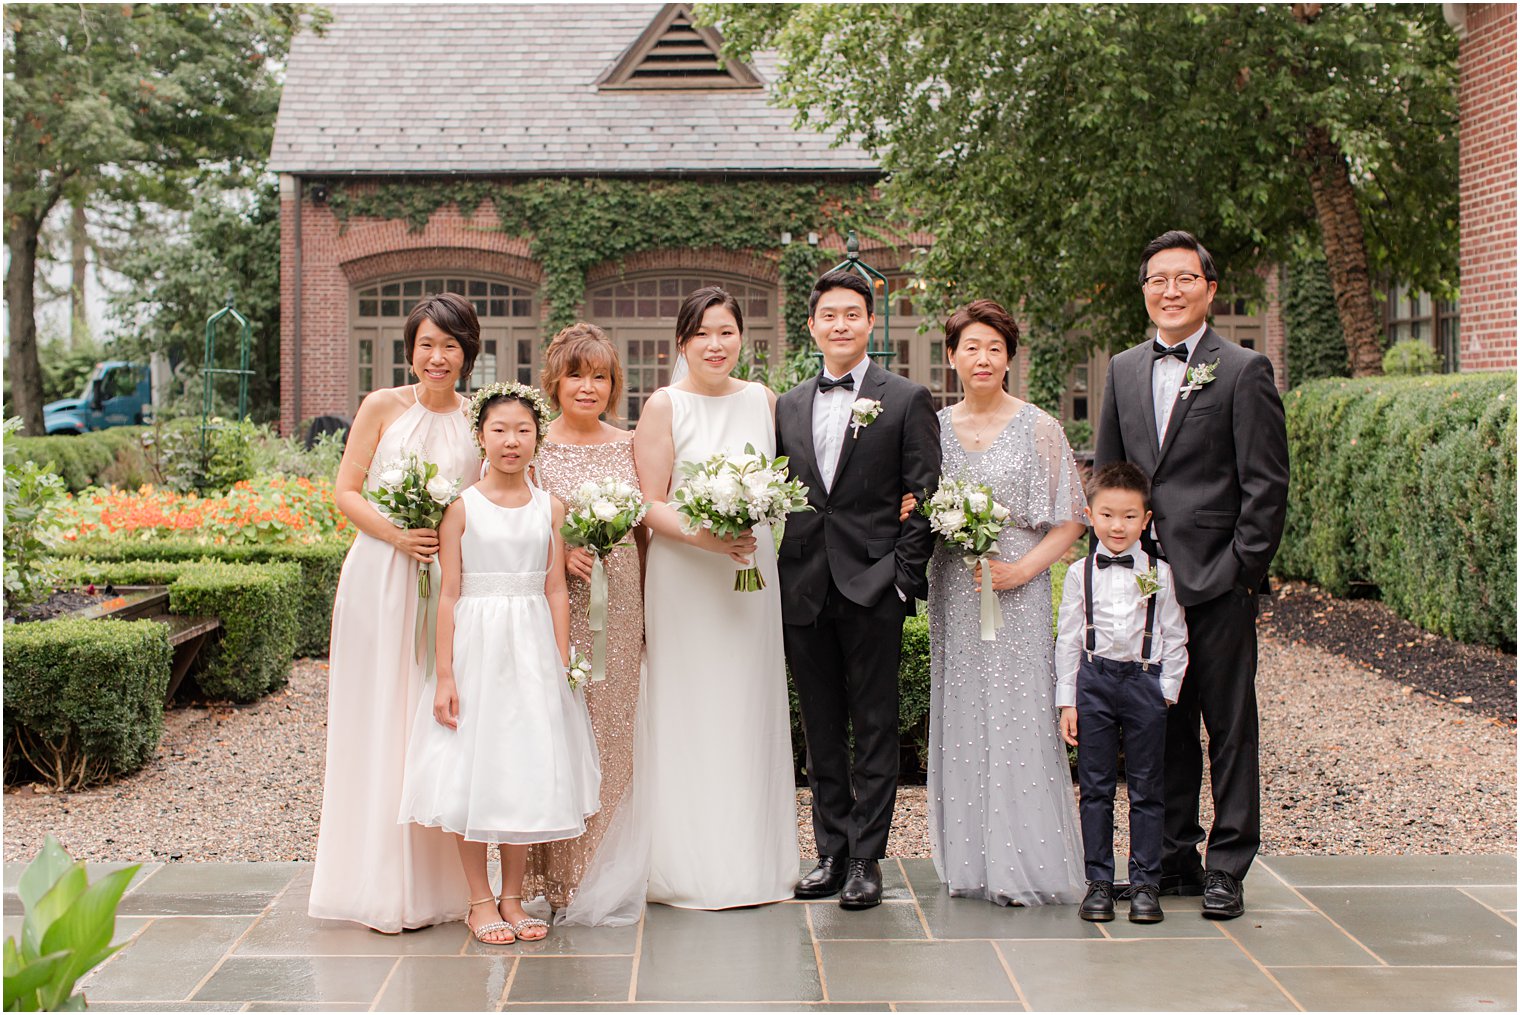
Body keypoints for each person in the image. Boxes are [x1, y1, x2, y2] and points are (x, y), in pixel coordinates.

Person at [1094, 229, 1289, 920]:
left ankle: (1229, 863)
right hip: (1147, 585)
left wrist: (1241, 571)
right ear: (1144, 289)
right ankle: (1172, 855)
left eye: (1183, 278)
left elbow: (1266, 485)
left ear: (1209, 286)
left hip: (1217, 580)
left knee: (1228, 726)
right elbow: (1113, 478)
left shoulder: (1242, 369)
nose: (1169, 290)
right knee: (1158, 725)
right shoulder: (1119, 369)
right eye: (1157, 279)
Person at [397, 382, 601, 944]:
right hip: (477, 651)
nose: (511, 441)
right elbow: (447, 594)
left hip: (533, 646)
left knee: (523, 769)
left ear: (537, 437)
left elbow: (556, 587)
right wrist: (445, 674)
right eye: (499, 430)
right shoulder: (460, 509)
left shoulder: (550, 506)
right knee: (474, 771)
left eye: (523, 430)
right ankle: (479, 900)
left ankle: (513, 898)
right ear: (480, 437)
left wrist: (562, 660)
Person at [311, 292, 482, 933]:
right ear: (410, 349)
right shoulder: (381, 406)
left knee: (434, 719)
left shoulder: (480, 419)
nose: (437, 357)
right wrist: (396, 535)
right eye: (426, 345)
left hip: (445, 580)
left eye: (450, 345)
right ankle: (372, 880)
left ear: (468, 352)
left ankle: (440, 885)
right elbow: (344, 491)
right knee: (378, 714)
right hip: (379, 575)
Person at [628, 285, 798, 911]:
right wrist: (707, 537)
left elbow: (786, 483)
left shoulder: (763, 401)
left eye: (726, 331)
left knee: (746, 703)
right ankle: (684, 864)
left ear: (741, 338)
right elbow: (650, 504)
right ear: (683, 342)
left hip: (750, 578)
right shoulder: (664, 405)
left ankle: (754, 861)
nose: (715, 344)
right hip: (686, 577)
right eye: (702, 333)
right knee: (690, 707)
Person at [777, 270, 941, 910]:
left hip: (874, 586)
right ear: (812, 326)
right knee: (820, 729)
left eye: (852, 314)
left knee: (874, 728)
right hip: (805, 587)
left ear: (869, 324)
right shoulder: (788, 404)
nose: (840, 324)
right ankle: (831, 852)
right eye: (829, 315)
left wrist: (902, 581)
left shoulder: (905, 398)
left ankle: (868, 860)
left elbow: (925, 496)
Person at [924, 298, 1087, 907]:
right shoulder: (934, 428)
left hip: (1016, 591)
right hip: (958, 591)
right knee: (965, 716)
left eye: (995, 347)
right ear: (951, 357)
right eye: (971, 347)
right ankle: (970, 861)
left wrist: (1021, 569)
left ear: (1010, 358)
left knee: (1018, 715)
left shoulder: (1041, 427)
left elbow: (1071, 520)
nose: (983, 358)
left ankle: (1025, 863)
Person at [524, 323, 645, 918]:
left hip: (620, 604)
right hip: (555, 606)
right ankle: (553, 877)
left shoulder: (629, 444)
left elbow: (648, 533)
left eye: (600, 376)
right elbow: (505, 522)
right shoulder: (533, 447)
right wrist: (557, 549)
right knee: (557, 733)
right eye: (577, 374)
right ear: (555, 380)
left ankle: (602, 876)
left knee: (612, 734)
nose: (588, 386)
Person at [1056, 462, 1188, 924]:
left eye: (1130, 516)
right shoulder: (1080, 574)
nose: (1118, 526)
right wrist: (1067, 700)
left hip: (1143, 684)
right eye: (1108, 515)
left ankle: (1146, 884)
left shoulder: (1162, 573)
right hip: (1093, 682)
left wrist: (1164, 693)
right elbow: (1069, 637)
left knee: (1147, 788)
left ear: (1146, 520)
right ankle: (1098, 881)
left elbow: (1174, 636)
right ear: (1091, 515)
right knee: (1094, 788)